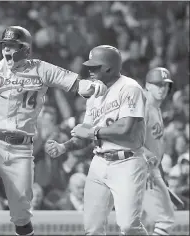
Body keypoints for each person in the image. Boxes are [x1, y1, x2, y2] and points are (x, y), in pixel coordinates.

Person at [0, 26, 108, 236]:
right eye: (4, 45)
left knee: (21, 213)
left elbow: (77, 84)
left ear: (26, 49)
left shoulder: (41, 69)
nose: (7, 50)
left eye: (13, 46)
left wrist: (94, 86)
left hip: (20, 150)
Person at [45, 45, 149, 235]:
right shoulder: (94, 95)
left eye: (95, 67)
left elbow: (126, 127)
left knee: (128, 226)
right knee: (92, 229)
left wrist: (92, 133)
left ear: (108, 67)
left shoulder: (130, 88)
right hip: (99, 162)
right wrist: (64, 147)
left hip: (127, 162)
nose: (90, 71)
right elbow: (84, 135)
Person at [141, 67, 175, 235]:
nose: (162, 89)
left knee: (140, 222)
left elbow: (155, 148)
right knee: (165, 220)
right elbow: (129, 141)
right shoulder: (143, 107)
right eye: (157, 84)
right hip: (142, 170)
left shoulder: (156, 108)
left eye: (165, 85)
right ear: (147, 85)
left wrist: (160, 173)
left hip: (151, 169)